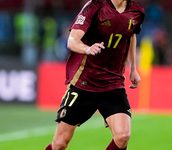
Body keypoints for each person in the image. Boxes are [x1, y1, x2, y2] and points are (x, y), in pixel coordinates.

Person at [45, 0, 145, 150]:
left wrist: (133, 68)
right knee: (60, 143)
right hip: (85, 83)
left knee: (123, 136)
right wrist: (87, 49)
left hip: (113, 83)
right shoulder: (95, 6)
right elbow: (72, 41)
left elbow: (131, 36)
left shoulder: (137, 11)